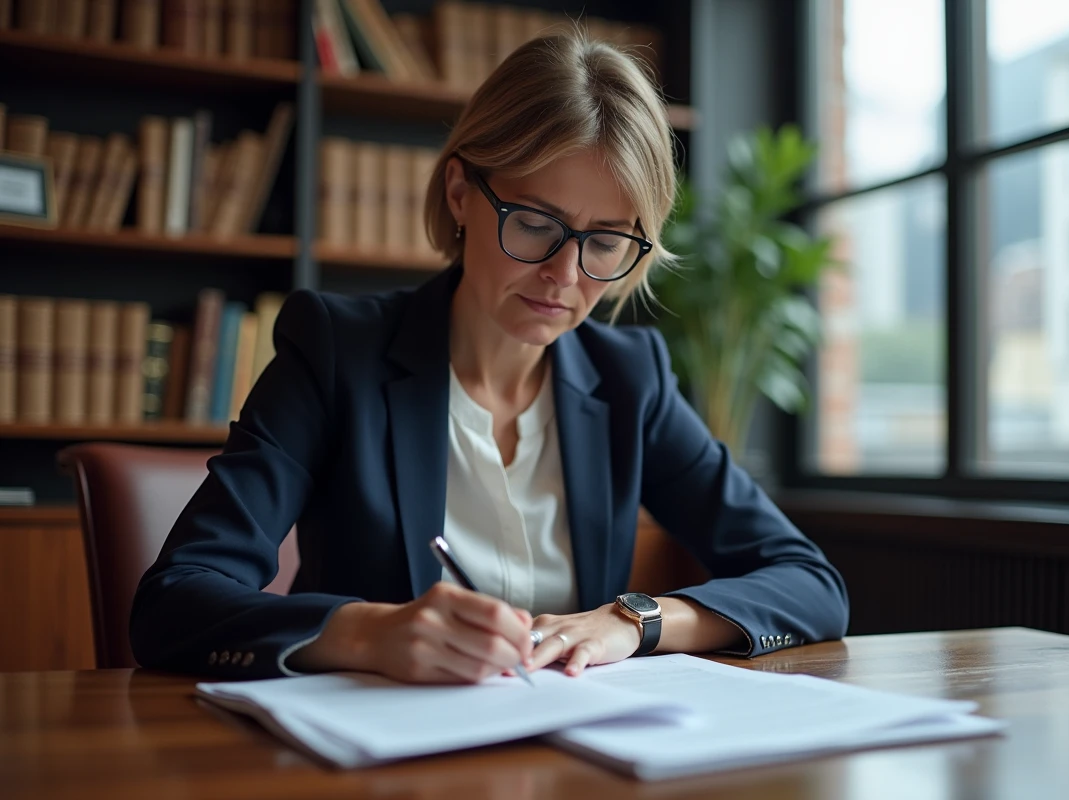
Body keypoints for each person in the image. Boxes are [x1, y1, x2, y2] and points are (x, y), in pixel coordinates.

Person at [130, 30, 849, 684]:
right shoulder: (334, 352)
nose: (565, 276)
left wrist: (633, 622)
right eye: (536, 225)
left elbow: (808, 581)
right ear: (460, 193)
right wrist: (366, 632)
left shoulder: (630, 378)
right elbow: (174, 601)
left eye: (604, 242)